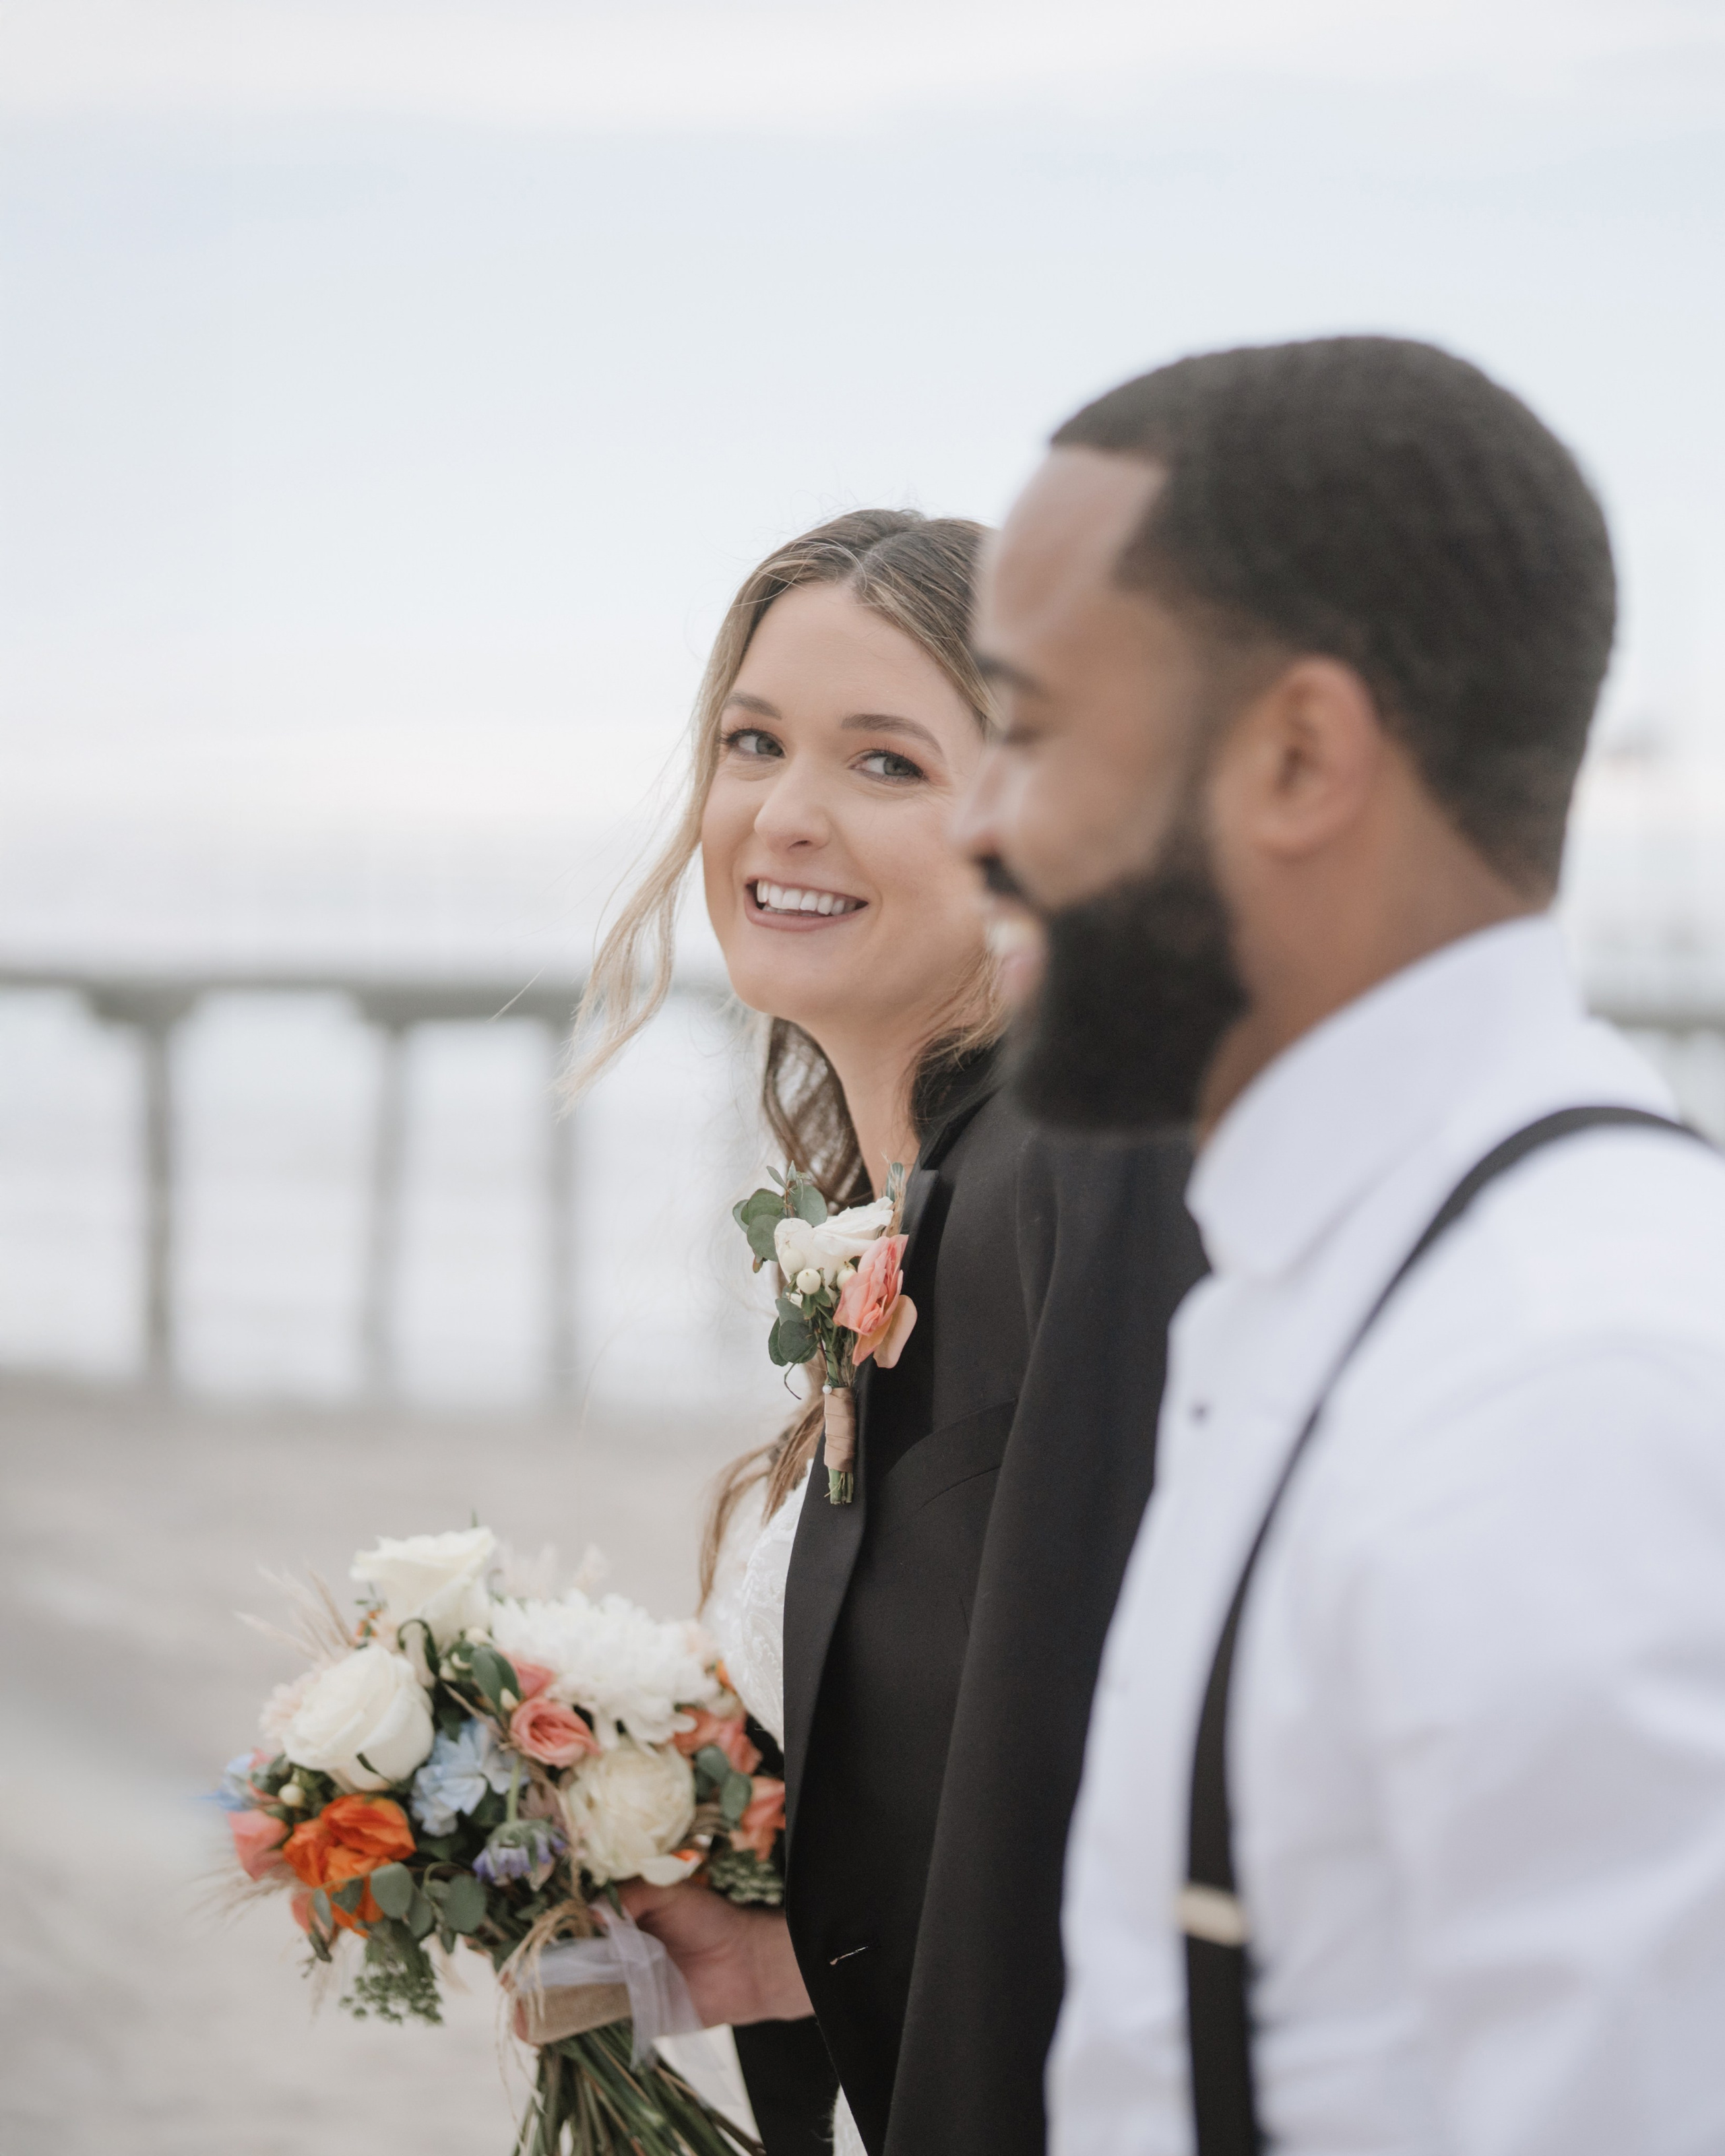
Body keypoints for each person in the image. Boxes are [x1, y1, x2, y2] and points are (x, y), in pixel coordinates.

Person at [954, 334, 1725, 2155]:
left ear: (1301, 756)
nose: (977, 826)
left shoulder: (1560, 1391)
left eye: (1033, 730)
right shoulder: (1356, 1274)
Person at [558, 509, 1203, 2155]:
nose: (784, 813)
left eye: (887, 764)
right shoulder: (921, 1203)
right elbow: (990, 1791)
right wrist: (780, 1943)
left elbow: (1141, 1789)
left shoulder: (1088, 1172)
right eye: (750, 741)